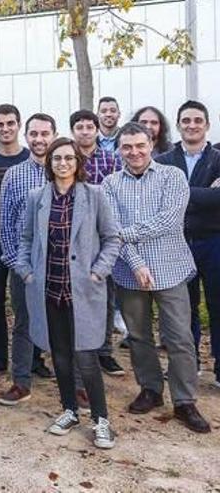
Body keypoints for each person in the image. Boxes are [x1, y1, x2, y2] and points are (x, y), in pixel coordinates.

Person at [103, 122, 212, 434]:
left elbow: (169, 219)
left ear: (151, 144)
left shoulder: (172, 176)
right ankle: (150, 389)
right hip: (128, 271)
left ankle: (184, 400)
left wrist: (125, 235)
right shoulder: (110, 184)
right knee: (138, 336)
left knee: (179, 336)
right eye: (127, 147)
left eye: (140, 145)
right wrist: (136, 261)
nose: (134, 152)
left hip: (171, 268)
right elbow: (112, 226)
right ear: (119, 149)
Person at [15, 137, 121, 449]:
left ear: (78, 162)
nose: (63, 163)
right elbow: (25, 239)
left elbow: (112, 238)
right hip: (49, 288)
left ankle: (101, 420)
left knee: (86, 357)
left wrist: (97, 271)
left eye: (69, 158)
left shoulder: (94, 195)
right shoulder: (37, 197)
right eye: (57, 158)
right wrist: (27, 271)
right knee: (59, 354)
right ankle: (70, 410)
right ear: (49, 163)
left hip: (84, 291)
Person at [156, 100, 220, 388]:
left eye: (197, 120)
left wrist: (181, 194)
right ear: (179, 124)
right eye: (186, 120)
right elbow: (162, 199)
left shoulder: (218, 158)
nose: (192, 125)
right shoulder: (165, 161)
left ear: (206, 125)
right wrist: (206, 194)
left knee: (218, 306)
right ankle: (187, 364)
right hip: (177, 243)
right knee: (183, 308)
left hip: (214, 242)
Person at [0, 113, 58, 405]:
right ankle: (21, 382)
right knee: (23, 323)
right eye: (34, 134)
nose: (39, 139)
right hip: (25, 264)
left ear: (53, 135)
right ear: (27, 136)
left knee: (66, 323)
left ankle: (77, 384)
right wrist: (16, 263)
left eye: (44, 133)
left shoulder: (66, 169)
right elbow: (6, 222)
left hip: (62, 265)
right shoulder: (14, 174)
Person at [0, 104, 34, 378]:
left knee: (28, 303)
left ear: (18, 124)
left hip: (26, 243)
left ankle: (34, 359)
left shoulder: (32, 160)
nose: (5, 128)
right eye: (0, 124)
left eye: (10, 123)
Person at [70, 109, 126, 376]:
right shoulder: (66, 159)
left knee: (105, 296)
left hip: (103, 236)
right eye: (79, 127)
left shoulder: (112, 160)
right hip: (72, 240)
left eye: (89, 127)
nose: (84, 131)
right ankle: (78, 351)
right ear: (73, 131)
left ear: (96, 130)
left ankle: (104, 352)